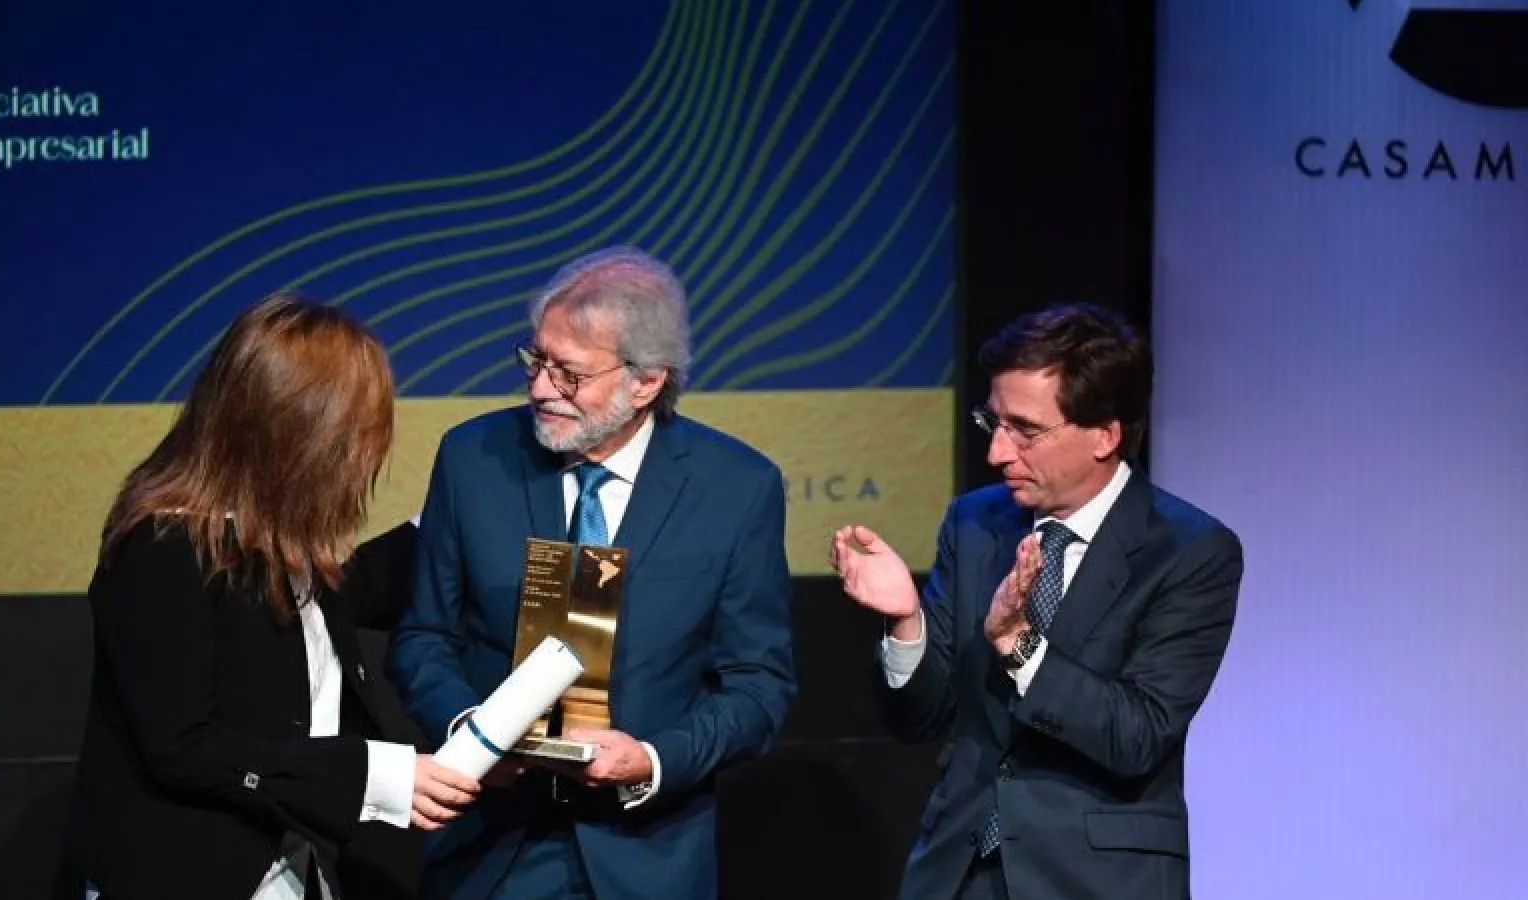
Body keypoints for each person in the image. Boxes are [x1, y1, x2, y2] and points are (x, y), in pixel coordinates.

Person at [387, 246, 796, 900]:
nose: (540, 387)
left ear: (647, 382)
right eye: (535, 360)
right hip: (492, 850)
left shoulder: (737, 488)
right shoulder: (472, 458)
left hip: (647, 858)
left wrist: (652, 759)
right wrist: (471, 735)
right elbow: (424, 636)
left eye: (569, 373)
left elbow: (757, 685)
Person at [61, 295, 480, 900]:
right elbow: (184, 749)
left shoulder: (276, 550)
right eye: (360, 432)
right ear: (305, 437)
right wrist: (375, 775)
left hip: (293, 868)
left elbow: (352, 589)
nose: (372, 454)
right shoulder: (164, 549)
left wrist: (466, 509)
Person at [832, 302, 1244, 900]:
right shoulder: (975, 522)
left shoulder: (1188, 551)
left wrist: (1019, 642)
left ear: (1105, 435)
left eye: (1025, 430)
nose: (998, 452)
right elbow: (918, 719)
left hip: (1096, 880)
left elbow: (1137, 734)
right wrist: (905, 621)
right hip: (960, 874)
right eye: (993, 423)